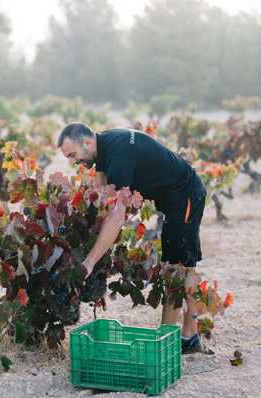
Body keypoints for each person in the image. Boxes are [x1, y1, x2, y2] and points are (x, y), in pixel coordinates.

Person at [57, 122, 208, 354]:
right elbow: (101, 195)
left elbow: (117, 216)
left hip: (185, 196)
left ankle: (166, 342)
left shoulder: (119, 155)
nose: (72, 162)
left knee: (177, 269)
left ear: (87, 142)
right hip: (175, 200)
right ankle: (189, 337)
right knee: (183, 267)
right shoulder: (104, 145)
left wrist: (89, 263)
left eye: (72, 155)